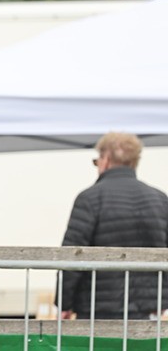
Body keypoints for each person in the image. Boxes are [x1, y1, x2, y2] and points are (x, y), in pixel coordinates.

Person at [60, 132, 168, 320]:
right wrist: (163, 301)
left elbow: (72, 255)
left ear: (106, 159)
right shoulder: (160, 199)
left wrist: (64, 303)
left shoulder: (89, 199)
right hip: (149, 311)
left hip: (97, 311)